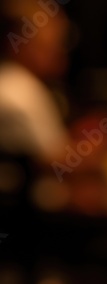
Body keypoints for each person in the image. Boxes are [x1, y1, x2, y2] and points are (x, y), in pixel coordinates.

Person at [0, 0, 69, 163]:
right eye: (48, 47)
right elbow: (54, 159)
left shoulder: (14, 81)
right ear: (20, 45)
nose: (60, 55)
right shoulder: (18, 89)